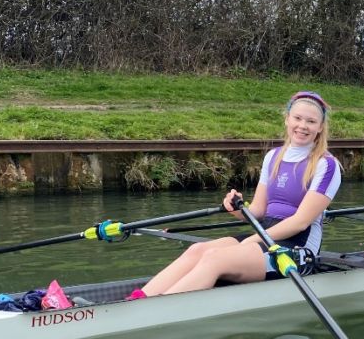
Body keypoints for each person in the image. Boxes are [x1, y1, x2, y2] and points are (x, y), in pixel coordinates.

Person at [134, 91, 341, 297]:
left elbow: (300, 222)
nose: (303, 126)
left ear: (320, 127)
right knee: (197, 250)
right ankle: (138, 300)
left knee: (214, 258)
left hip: (298, 247)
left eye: (311, 121)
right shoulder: (273, 156)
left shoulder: (326, 165)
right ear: (287, 119)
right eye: (297, 118)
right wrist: (238, 209)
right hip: (264, 234)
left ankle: (155, 310)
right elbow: (259, 211)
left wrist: (250, 241)